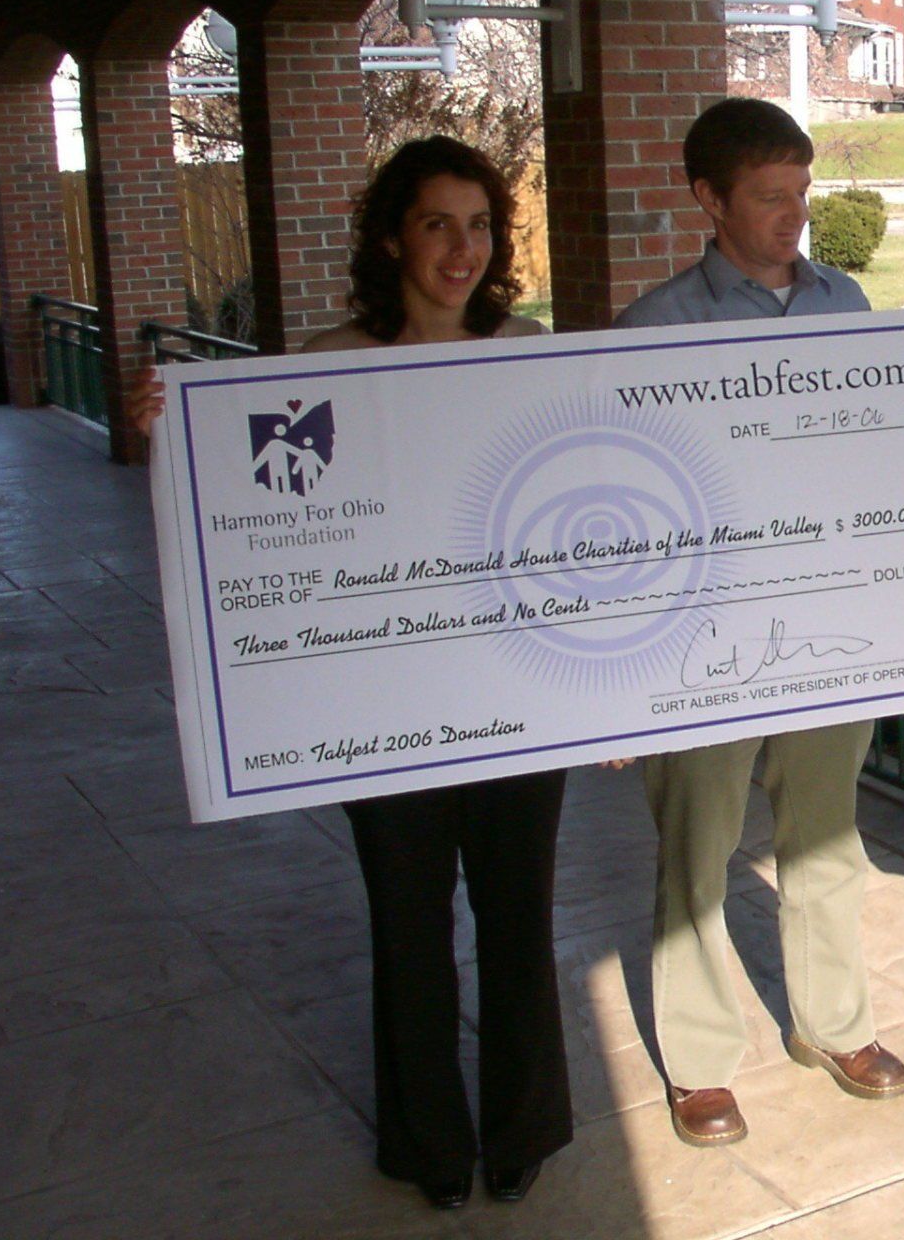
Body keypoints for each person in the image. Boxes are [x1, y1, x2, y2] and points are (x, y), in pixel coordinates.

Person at [130, 136, 570, 1211]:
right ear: (392, 237)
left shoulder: (532, 356)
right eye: (436, 224)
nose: (461, 249)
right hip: (389, 712)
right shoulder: (321, 364)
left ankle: (521, 1131)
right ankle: (429, 1146)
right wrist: (166, 435)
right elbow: (253, 512)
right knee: (410, 929)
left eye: (478, 225)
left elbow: (579, 527)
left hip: (518, 696)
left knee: (518, 919)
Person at [613, 97, 904, 1148]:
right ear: (710, 200)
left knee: (827, 838)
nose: (794, 217)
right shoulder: (653, 329)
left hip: (831, 631)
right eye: (770, 198)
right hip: (703, 642)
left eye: (802, 194)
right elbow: (625, 505)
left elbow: (861, 450)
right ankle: (697, 1063)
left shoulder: (848, 300)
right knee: (699, 850)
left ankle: (835, 1027)